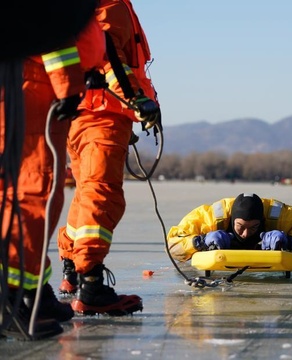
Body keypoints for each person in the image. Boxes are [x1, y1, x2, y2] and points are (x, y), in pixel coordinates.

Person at [1, 0, 104, 340]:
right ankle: (12, 300)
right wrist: (68, 83)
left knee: (27, 193)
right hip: (33, 79)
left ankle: (29, 294)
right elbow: (45, 20)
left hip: (31, 77)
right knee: (33, 192)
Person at [56, 0, 160, 316]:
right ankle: (91, 284)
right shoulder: (109, 5)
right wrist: (137, 101)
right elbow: (109, 58)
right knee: (102, 195)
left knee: (87, 193)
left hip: (86, 112)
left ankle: (73, 269)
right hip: (101, 112)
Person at [167, 193, 292, 262]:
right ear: (232, 220)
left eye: (253, 227)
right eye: (240, 227)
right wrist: (200, 241)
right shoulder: (211, 217)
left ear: (262, 220)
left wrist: (290, 241)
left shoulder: (281, 216)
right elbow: (173, 244)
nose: (245, 234)